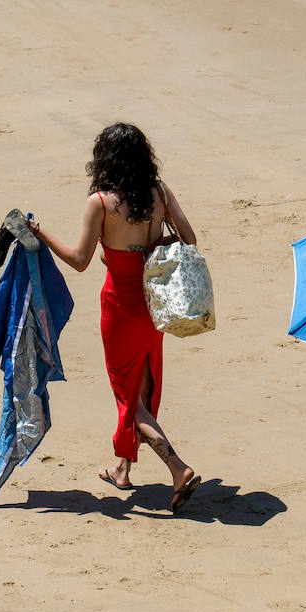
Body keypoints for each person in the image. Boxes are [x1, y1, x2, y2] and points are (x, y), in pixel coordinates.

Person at [28, 123, 203, 510]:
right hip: (155, 306)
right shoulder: (158, 192)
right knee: (141, 388)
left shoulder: (101, 202)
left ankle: (178, 467)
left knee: (128, 398)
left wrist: (39, 232)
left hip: (121, 307)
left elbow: (79, 260)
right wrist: (151, 249)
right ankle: (122, 470)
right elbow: (189, 238)